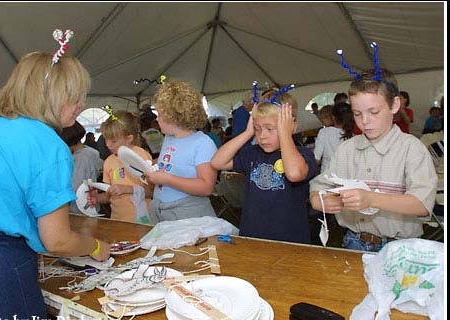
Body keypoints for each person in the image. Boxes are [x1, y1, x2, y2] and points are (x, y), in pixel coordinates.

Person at [0, 51, 113, 320]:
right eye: (75, 96)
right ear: (51, 95)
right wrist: (96, 247)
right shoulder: (46, 143)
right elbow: (56, 240)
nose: (82, 104)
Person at [309, 68, 437, 252]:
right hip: (354, 242)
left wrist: (371, 199)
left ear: (394, 105)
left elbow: (422, 204)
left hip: (400, 248)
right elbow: (321, 186)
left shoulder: (412, 149)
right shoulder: (346, 149)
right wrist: (318, 199)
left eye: (374, 111)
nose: (365, 121)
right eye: (357, 113)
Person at [211, 91, 318, 244]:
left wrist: (285, 135)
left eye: (270, 129)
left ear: (292, 126)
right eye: (258, 128)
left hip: (290, 241)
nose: (262, 136)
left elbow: (294, 174)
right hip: (252, 237)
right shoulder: (253, 154)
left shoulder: (303, 155)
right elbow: (217, 162)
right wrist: (248, 133)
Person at [143, 80, 218, 223]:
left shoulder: (203, 143)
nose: (157, 119)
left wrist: (166, 179)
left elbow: (206, 187)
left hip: (188, 212)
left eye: (159, 114)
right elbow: (170, 161)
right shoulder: (169, 138)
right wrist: (148, 165)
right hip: (161, 209)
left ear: (175, 117)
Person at [97, 110, 153, 223]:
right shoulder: (108, 162)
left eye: (113, 141)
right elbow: (109, 195)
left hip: (142, 221)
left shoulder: (141, 156)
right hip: (118, 221)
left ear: (129, 138)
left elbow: (152, 193)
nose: (108, 144)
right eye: (106, 139)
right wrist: (96, 198)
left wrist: (127, 189)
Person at [59, 121, 103, 214]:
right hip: (89, 205)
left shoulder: (80, 158)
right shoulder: (91, 151)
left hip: (79, 209)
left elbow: (75, 186)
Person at [313, 103, 354, 172]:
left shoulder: (324, 132)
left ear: (333, 117)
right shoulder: (352, 135)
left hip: (328, 175)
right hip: (347, 174)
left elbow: (316, 158)